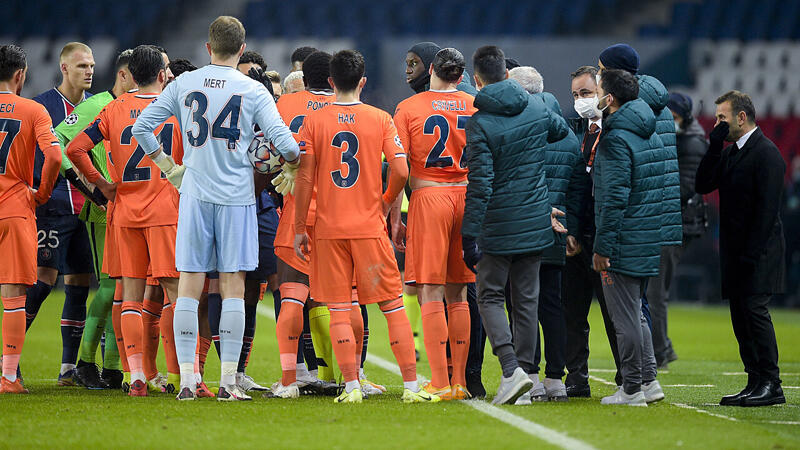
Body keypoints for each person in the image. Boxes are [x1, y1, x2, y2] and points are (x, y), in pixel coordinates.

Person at [132, 16, 300, 401]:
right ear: (242, 49)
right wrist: (289, 161)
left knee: (190, 285)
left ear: (208, 48)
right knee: (232, 287)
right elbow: (287, 146)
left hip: (193, 194)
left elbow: (142, 128)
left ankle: (188, 380)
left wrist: (170, 168)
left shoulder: (184, 83)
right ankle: (227, 382)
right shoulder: (252, 89)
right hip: (237, 198)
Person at [293, 49, 438, 404]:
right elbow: (402, 170)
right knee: (392, 305)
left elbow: (305, 178)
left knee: (340, 307)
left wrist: (300, 226)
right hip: (370, 226)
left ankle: (352, 386)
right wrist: (387, 202)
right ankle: (410, 387)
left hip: (328, 229)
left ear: (330, 82)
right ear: (362, 82)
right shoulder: (380, 118)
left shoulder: (315, 121)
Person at [67, 45, 183, 397]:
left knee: (129, 297)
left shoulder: (113, 109)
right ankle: (182, 377)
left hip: (126, 211)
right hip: (165, 211)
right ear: (162, 75)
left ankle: (135, 377)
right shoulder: (175, 109)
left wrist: (101, 183)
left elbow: (74, 149)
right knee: (176, 295)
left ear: (130, 75)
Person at [461, 45, 568, 405]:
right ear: (507, 74)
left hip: (499, 223)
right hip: (536, 220)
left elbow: (481, 184)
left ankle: (511, 371)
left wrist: (468, 233)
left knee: (490, 296)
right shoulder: (537, 106)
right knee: (527, 302)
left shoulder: (481, 123)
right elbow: (559, 132)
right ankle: (526, 379)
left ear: (477, 81)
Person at [393, 48, 476, 401]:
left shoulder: (408, 108)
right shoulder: (475, 105)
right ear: (461, 75)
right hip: (467, 196)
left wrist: (394, 214)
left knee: (429, 290)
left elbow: (399, 167)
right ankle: (459, 382)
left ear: (431, 70)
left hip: (429, 197)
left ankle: (439, 380)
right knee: (458, 292)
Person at [696, 90, 786, 407]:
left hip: (757, 252)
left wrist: (751, 254)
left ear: (741, 117)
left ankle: (771, 383)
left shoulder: (767, 154)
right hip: (735, 251)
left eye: (723, 117)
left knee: (755, 314)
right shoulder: (733, 152)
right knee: (741, 318)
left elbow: (767, 210)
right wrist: (713, 145)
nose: (719, 123)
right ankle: (754, 380)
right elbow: (703, 183)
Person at [56, 48, 136, 390]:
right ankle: (85, 363)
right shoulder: (97, 105)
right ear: (122, 75)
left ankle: (113, 369)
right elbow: (57, 140)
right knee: (110, 287)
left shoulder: (142, 107)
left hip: (131, 211)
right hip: (102, 213)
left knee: (125, 289)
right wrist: (87, 185)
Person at [271, 50, 343, 398]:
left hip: (296, 212)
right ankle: (349, 377)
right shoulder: (347, 109)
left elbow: (265, 153)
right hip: (340, 215)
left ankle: (290, 380)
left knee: (292, 295)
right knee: (343, 300)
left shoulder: (284, 104)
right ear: (333, 79)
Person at [597, 43, 683, 336]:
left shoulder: (627, 113)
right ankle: (646, 372)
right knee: (644, 300)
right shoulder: (660, 109)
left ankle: (641, 376)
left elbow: (625, 174)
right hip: (661, 213)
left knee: (631, 304)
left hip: (632, 216)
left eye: (600, 69)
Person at [508, 65, 582, 403]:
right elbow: (579, 189)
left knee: (522, 304)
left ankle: (531, 377)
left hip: (521, 229)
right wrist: (574, 230)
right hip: (557, 230)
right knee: (552, 305)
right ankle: (556, 380)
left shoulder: (521, 129)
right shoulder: (567, 133)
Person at [591, 69, 665, 406]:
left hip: (622, 239)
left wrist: (602, 246)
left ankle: (632, 388)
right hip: (645, 233)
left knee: (624, 318)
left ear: (611, 98)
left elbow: (614, 197)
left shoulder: (616, 138)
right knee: (635, 313)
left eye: (597, 90)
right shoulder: (649, 130)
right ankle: (648, 380)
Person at [26, 42, 96, 386]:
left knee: (79, 286)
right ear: (64, 68)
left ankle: (68, 368)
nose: (89, 71)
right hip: (52, 208)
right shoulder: (41, 107)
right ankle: (8, 356)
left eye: (92, 65)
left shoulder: (98, 108)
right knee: (41, 283)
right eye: (82, 65)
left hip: (86, 212)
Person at [0, 44, 63, 394]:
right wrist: (41, 193)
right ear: (21, 74)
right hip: (14, 209)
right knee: (13, 297)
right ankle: (8, 377)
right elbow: (53, 156)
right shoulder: (33, 110)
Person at [562, 65, 623, 397]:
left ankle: (627, 377)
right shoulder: (576, 133)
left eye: (586, 93)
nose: (580, 101)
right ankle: (577, 378)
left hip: (605, 241)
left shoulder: (615, 132)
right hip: (577, 240)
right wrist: (570, 229)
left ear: (604, 94)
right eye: (575, 95)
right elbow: (571, 186)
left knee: (617, 317)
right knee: (573, 314)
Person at [647, 92, 707, 369]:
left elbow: (685, 187)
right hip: (676, 221)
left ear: (684, 118)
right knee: (656, 290)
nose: (667, 122)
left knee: (656, 292)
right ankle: (663, 348)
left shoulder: (691, 143)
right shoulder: (684, 139)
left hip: (678, 223)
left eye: (672, 118)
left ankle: (660, 352)